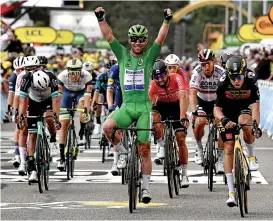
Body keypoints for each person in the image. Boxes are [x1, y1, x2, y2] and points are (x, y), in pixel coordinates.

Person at [95, 6, 173, 203]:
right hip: (128, 106)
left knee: (144, 148)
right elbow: (109, 36)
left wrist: (166, 21)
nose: (138, 43)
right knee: (107, 126)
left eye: (141, 40)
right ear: (129, 41)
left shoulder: (148, 57)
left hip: (144, 108)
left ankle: (145, 189)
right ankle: (121, 152)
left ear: (145, 42)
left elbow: (160, 39)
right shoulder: (122, 55)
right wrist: (101, 19)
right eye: (134, 40)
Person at [214, 55, 262, 206]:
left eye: (239, 77)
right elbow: (216, 110)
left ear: (244, 73)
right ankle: (231, 193)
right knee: (228, 148)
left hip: (245, 108)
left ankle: (252, 157)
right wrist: (223, 120)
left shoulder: (251, 79)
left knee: (245, 123)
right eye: (233, 77)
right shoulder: (222, 82)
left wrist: (256, 126)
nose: (236, 80)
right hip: (228, 113)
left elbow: (255, 107)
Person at [149, 59, 189, 187]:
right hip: (162, 106)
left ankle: (184, 173)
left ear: (166, 73)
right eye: (156, 77)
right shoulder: (153, 84)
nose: (159, 79)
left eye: (161, 75)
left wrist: (183, 116)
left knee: (181, 139)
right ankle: (161, 144)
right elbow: (148, 101)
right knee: (153, 117)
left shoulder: (176, 77)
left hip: (176, 106)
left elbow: (183, 96)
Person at [18, 69, 61, 182]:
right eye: (39, 88)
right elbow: (22, 101)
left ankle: (52, 139)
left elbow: (56, 101)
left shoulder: (52, 78)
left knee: (50, 118)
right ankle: (32, 169)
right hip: (33, 101)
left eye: (44, 87)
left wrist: (57, 118)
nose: (41, 90)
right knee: (32, 135)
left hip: (48, 100)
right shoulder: (26, 78)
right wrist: (21, 117)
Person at [189, 49, 226, 173]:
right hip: (202, 101)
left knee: (222, 126)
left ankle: (220, 159)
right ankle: (199, 149)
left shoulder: (221, 72)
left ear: (214, 61)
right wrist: (194, 110)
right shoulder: (196, 72)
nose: (205, 67)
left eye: (208, 63)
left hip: (217, 101)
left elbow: (227, 92)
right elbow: (192, 93)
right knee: (199, 122)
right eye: (203, 64)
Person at [57, 58, 92, 171]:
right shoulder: (62, 77)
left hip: (81, 93)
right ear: (68, 72)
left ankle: (81, 131)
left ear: (81, 71)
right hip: (67, 93)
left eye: (77, 73)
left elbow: (87, 97)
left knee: (82, 105)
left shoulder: (87, 76)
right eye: (72, 73)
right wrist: (56, 111)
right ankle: (61, 157)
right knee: (63, 124)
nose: (74, 76)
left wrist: (86, 111)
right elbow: (58, 96)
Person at [6, 56, 24, 168]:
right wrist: (9, 108)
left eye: (21, 69)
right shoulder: (14, 76)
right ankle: (17, 153)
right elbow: (11, 94)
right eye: (17, 70)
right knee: (19, 125)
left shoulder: (30, 72)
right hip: (19, 98)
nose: (20, 72)